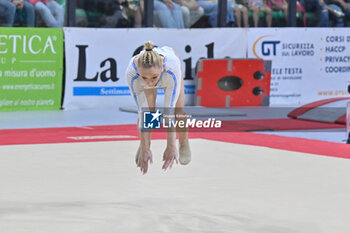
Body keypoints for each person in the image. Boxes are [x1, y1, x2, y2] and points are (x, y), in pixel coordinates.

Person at [125, 41, 191, 174]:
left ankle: (183, 142)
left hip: (168, 75)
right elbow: (142, 112)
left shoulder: (172, 67)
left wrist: (171, 145)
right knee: (149, 112)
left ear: (161, 68)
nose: (149, 83)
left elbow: (169, 110)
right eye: (145, 78)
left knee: (177, 110)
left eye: (153, 78)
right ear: (138, 71)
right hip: (150, 75)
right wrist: (144, 147)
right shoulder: (132, 73)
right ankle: (146, 142)